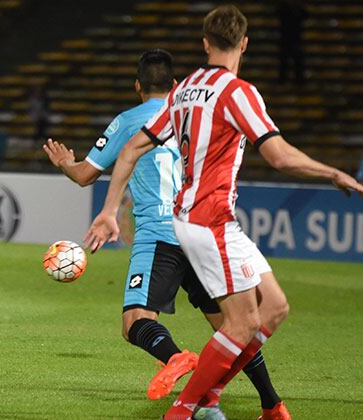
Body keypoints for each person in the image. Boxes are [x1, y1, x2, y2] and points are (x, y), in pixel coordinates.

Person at [85, 5, 363, 420]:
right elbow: (279, 157)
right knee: (241, 323)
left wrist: (110, 210)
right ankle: (186, 408)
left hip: (200, 220)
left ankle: (252, 404)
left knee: (274, 308)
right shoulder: (238, 93)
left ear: (205, 42)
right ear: (244, 44)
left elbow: (130, 150)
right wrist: (332, 172)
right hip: (208, 220)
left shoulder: (185, 90)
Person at [45, 49, 284, 416]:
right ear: (174, 84)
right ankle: (272, 404)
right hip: (201, 229)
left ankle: (176, 358)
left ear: (137, 86)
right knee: (232, 328)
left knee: (135, 322)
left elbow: (84, 175)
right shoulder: (189, 113)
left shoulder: (128, 121)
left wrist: (65, 163)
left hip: (159, 232)